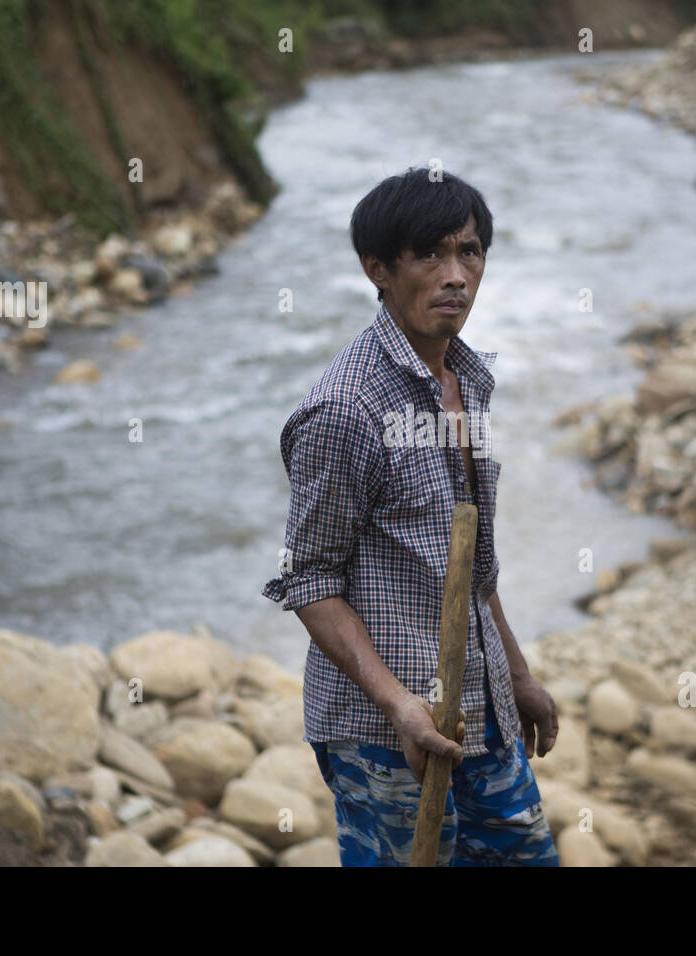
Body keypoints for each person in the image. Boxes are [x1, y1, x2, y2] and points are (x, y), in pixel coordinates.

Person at [262, 167, 560, 866]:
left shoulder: (466, 380)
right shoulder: (345, 410)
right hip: (382, 733)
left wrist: (516, 676)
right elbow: (310, 582)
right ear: (379, 271)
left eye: (470, 252)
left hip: (482, 715)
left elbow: (468, 565)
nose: (455, 275)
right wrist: (401, 705)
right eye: (429, 255)